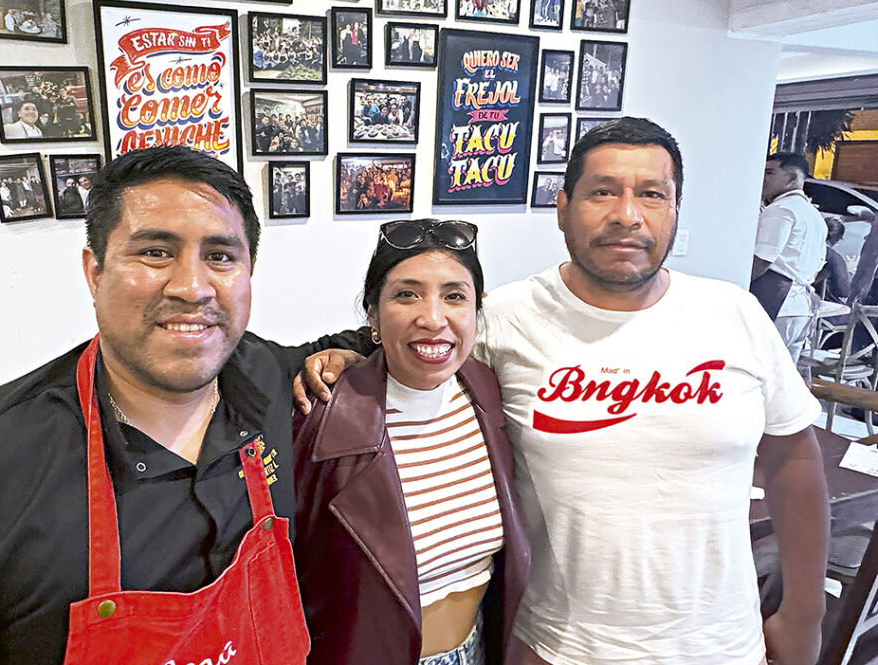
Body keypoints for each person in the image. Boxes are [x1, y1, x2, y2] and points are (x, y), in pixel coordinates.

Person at [298, 117, 830, 665]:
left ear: (675, 209)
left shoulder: (735, 313)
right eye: (603, 191)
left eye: (652, 194)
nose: (627, 214)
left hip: (720, 645)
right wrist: (356, 360)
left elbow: (794, 461)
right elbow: (427, 350)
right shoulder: (505, 318)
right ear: (562, 207)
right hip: (553, 646)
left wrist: (803, 612)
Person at [0, 145, 370, 665]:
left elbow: (383, 340)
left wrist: (346, 354)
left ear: (248, 272)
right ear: (94, 272)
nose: (192, 288)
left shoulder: (269, 376)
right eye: (154, 252)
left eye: (220, 256)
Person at [294, 219, 528, 665]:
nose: (433, 318)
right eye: (407, 294)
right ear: (372, 315)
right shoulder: (323, 414)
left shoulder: (492, 394)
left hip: (477, 650)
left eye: (454, 296)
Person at [751, 153, 828, 364]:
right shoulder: (815, 216)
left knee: (761, 370)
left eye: (770, 173)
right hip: (801, 308)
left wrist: (737, 288)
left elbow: (762, 260)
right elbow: (821, 265)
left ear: (792, 179)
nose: (763, 178)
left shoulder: (781, 210)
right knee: (783, 376)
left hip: (777, 300)